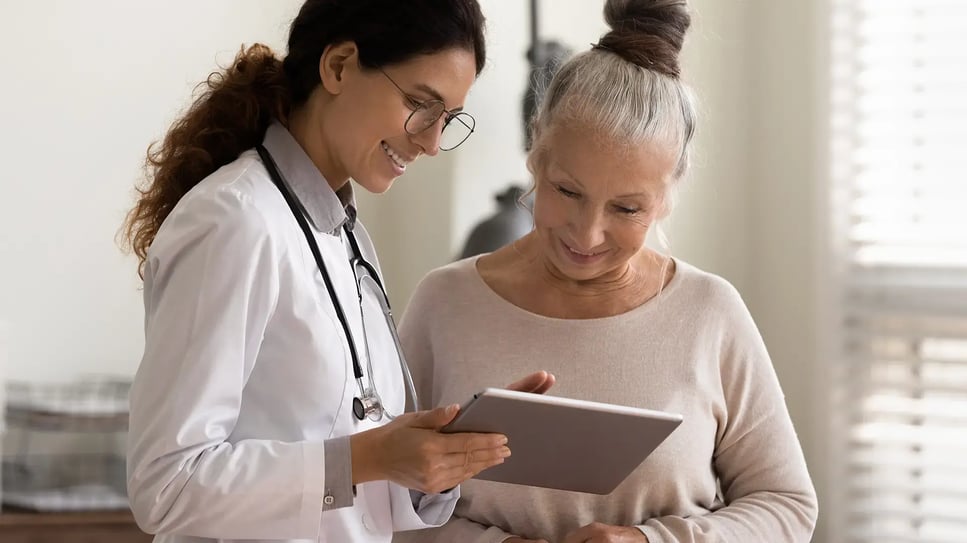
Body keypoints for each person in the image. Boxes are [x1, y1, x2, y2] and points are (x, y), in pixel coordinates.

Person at [120, 1, 553, 542]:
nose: (432, 142)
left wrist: (437, 458)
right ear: (340, 66)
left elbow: (352, 498)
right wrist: (360, 460)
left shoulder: (344, 234)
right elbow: (166, 487)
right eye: (421, 104)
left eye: (448, 119)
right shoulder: (234, 222)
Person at [393, 0, 819, 542]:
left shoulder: (710, 312)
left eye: (626, 209)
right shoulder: (445, 303)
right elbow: (387, 503)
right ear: (536, 157)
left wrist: (652, 541)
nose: (586, 234)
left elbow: (786, 506)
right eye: (567, 191)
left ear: (667, 198)